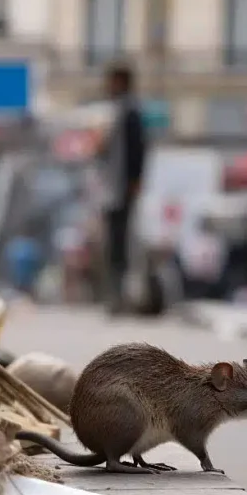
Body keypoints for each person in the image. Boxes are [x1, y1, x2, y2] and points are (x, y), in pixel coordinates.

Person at [96, 62, 148, 314]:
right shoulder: (117, 111)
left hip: (121, 191)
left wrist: (134, 182)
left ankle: (120, 298)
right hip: (113, 190)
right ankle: (115, 296)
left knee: (120, 245)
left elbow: (137, 150)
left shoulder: (129, 112)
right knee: (114, 245)